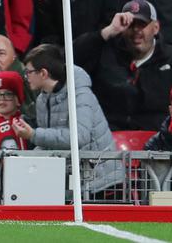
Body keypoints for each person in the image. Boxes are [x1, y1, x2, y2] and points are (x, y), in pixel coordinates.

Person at [13, 44, 122, 195]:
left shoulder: (80, 94)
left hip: (103, 184)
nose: (26, 77)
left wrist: (33, 135)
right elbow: (49, 145)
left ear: (43, 73)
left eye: (29, 72)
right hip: (74, 181)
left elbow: (79, 137)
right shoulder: (42, 100)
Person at [75, 0, 172, 130]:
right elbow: (72, 58)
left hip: (158, 137)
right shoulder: (106, 53)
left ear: (156, 28)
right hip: (110, 136)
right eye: (130, 24)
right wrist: (109, 31)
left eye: (142, 24)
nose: (136, 30)